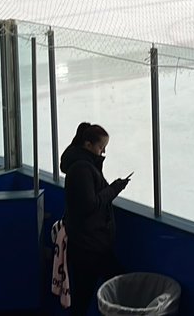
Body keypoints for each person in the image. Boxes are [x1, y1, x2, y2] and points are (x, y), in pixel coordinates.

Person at [62, 123, 130, 316]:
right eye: (101, 147)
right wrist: (115, 188)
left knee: (84, 297)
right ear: (88, 144)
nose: (103, 152)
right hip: (89, 247)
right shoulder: (82, 169)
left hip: (90, 244)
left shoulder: (87, 165)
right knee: (115, 284)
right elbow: (90, 204)